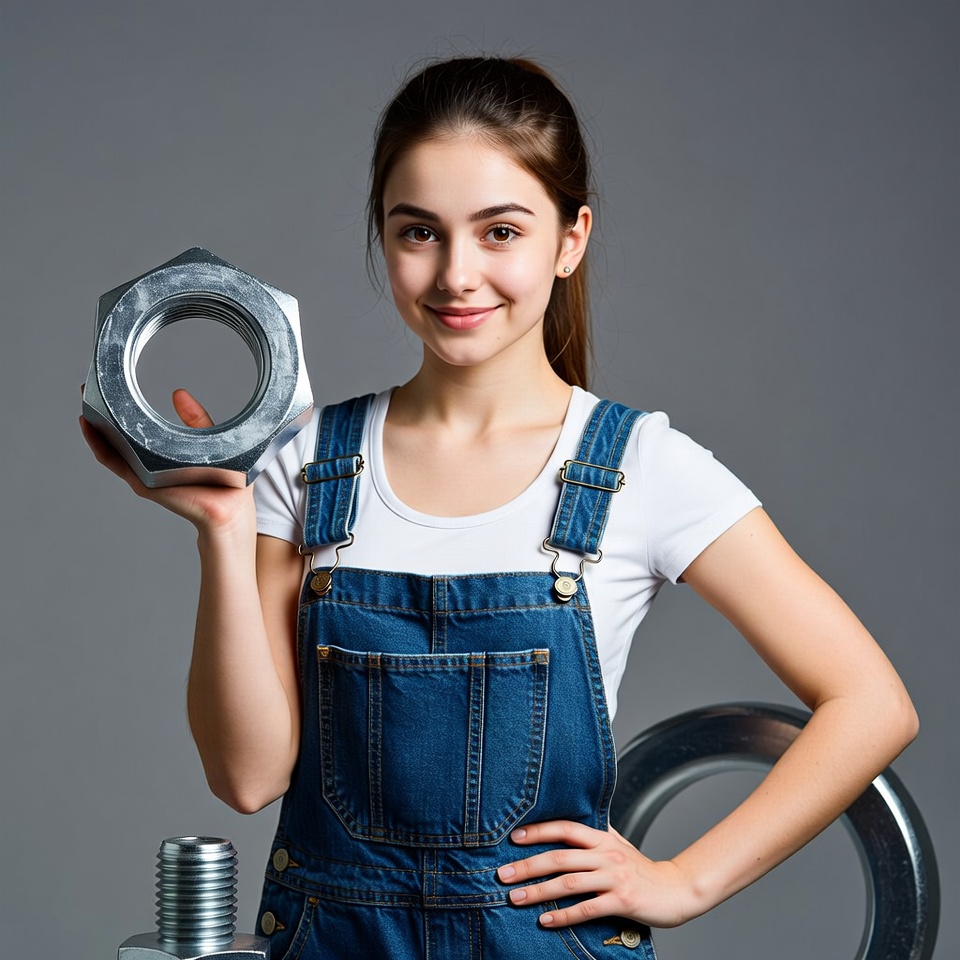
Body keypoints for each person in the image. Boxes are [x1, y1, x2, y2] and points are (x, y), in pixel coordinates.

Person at [81, 56, 918, 960]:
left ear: (570, 238)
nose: (456, 274)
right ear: (383, 239)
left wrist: (682, 880)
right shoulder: (305, 456)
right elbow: (247, 778)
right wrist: (223, 530)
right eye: (419, 233)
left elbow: (872, 704)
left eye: (500, 231)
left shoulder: (642, 467)